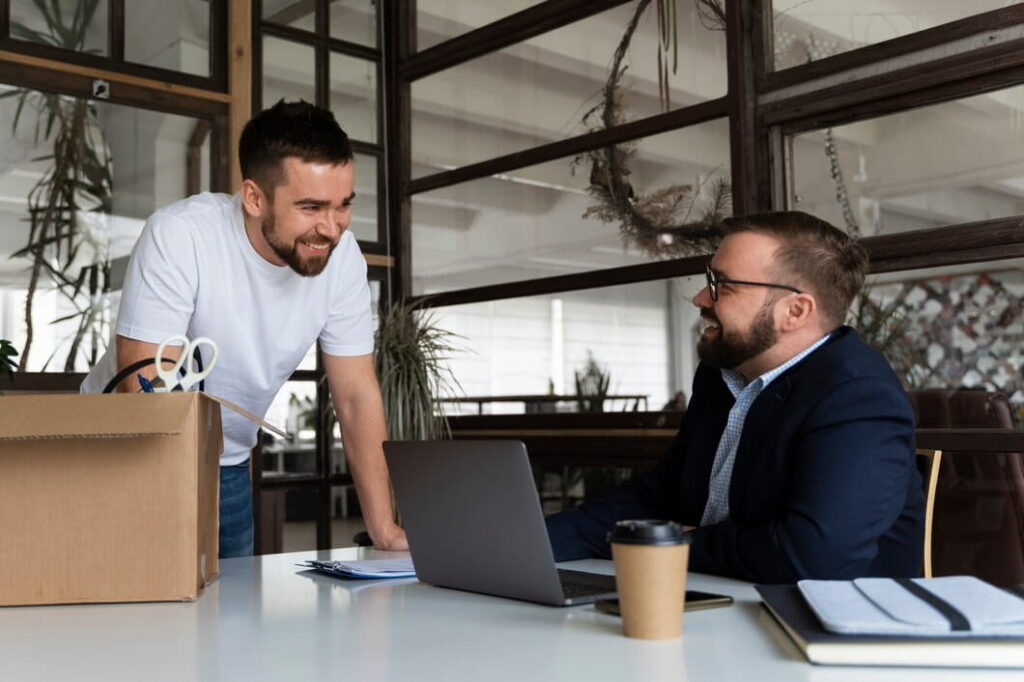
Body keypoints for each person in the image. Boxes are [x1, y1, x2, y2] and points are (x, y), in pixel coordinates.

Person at [82, 101, 407, 557]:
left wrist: (384, 529)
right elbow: (145, 394)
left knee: (228, 619)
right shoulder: (181, 235)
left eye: (342, 206)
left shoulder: (343, 258)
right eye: (311, 207)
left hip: (227, 462)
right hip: (120, 454)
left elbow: (355, 395)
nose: (331, 228)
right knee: (129, 615)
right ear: (255, 198)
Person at [546, 211, 924, 582]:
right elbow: (656, 497)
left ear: (794, 310)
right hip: (722, 600)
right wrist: (535, 543)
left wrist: (669, 542)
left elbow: (811, 555)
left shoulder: (858, 396)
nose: (699, 298)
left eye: (723, 285)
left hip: (823, 629)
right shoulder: (721, 376)